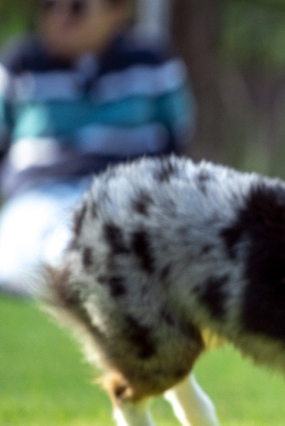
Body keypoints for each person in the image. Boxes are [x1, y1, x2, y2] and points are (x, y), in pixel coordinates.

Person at [0, 0, 194, 297]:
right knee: (24, 255)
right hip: (39, 200)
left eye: (77, 7)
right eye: (48, 5)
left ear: (117, 11)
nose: (59, 16)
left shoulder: (152, 61)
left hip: (125, 196)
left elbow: (176, 140)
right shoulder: (19, 63)